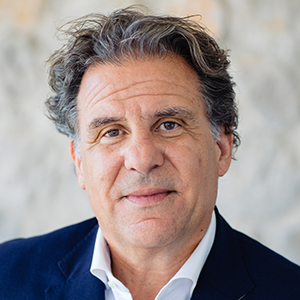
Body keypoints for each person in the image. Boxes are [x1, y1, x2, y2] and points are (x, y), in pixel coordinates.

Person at [0, 7, 299, 300]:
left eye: (169, 125)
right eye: (112, 132)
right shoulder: (7, 276)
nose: (142, 160)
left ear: (221, 147)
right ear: (79, 162)